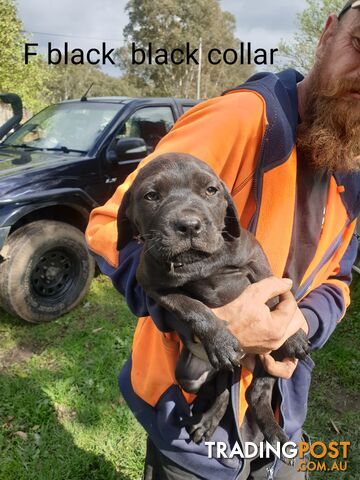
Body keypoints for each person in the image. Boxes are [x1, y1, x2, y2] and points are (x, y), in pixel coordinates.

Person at [85, 1, 360, 479]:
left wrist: (301, 322)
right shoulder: (243, 118)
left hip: (277, 411)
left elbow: (337, 280)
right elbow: (110, 226)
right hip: (190, 411)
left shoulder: (353, 174)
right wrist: (208, 322)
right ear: (327, 34)